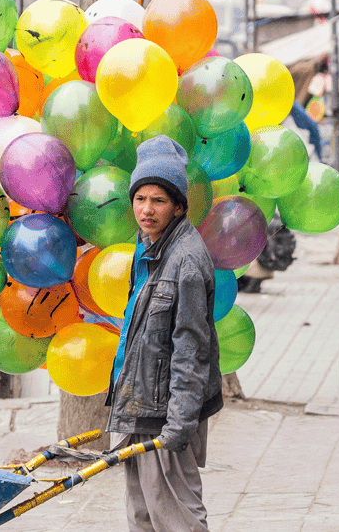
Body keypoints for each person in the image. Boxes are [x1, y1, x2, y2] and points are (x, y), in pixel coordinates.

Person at [105, 135, 222, 532]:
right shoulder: (148, 247)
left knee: (177, 517)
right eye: (141, 198)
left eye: (158, 200)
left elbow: (192, 349)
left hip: (167, 412)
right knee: (143, 515)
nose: (147, 209)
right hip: (141, 401)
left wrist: (180, 422)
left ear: (178, 206)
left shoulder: (185, 261)